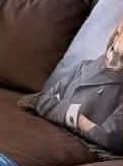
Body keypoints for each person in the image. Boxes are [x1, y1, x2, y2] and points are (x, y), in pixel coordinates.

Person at [37, 16, 123, 154]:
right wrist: (77, 118)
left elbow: (108, 137)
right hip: (53, 133)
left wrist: (74, 117)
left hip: (80, 148)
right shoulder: (85, 67)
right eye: (120, 32)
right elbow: (43, 101)